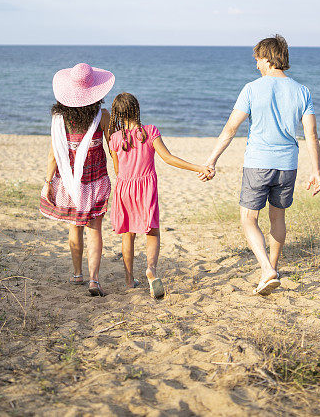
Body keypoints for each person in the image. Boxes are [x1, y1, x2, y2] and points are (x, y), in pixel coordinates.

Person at [203, 34, 320, 295]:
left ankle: (266, 270)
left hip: (258, 163)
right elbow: (311, 134)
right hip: (288, 165)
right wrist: (316, 171)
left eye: (257, 59)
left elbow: (230, 129)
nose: (256, 64)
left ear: (268, 59)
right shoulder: (302, 91)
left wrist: (212, 159)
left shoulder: (252, 89)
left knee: (248, 217)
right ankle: (272, 270)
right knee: (278, 217)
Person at [108, 92, 213, 299]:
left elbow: (117, 170)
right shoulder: (150, 132)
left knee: (127, 234)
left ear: (117, 114)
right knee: (152, 232)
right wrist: (197, 167)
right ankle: (151, 271)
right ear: (137, 109)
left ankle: (129, 281)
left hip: (124, 189)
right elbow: (168, 158)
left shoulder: (114, 138)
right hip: (145, 188)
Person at [40, 63, 114, 297]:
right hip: (97, 179)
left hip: (69, 182)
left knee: (75, 226)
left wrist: (47, 181)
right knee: (95, 230)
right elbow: (113, 149)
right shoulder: (103, 116)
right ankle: (94, 280)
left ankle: (76, 274)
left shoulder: (59, 119)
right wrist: (121, 174)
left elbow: (54, 154)